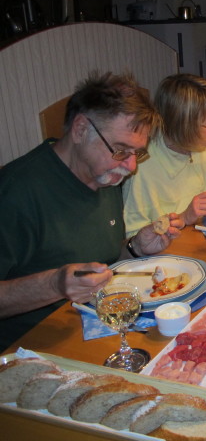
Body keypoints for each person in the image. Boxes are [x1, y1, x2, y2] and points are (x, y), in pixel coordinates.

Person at [0, 71, 182, 351]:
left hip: (97, 328)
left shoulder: (107, 176)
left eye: (137, 153)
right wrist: (54, 285)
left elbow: (96, 264)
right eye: (121, 149)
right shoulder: (16, 192)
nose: (131, 166)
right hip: (33, 351)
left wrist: (135, 248)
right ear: (80, 129)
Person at [122, 74, 206, 237]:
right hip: (172, 255)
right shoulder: (141, 165)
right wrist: (184, 217)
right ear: (185, 126)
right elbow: (133, 236)